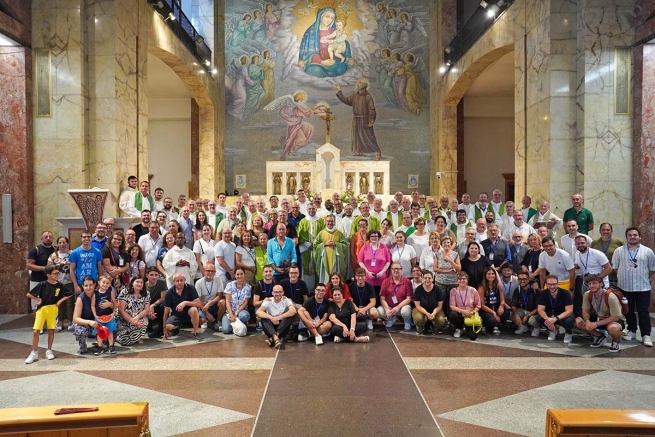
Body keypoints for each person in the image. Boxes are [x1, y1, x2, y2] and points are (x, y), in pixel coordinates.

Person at [613, 227, 655, 347]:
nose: (632, 237)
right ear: (626, 237)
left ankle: (646, 335)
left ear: (639, 237)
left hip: (643, 287)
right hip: (625, 287)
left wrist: (643, 277)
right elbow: (615, 267)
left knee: (643, 311)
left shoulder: (648, 251)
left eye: (635, 235)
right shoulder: (619, 251)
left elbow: (652, 269)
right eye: (630, 235)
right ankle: (631, 331)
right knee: (628, 310)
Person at [24, 265, 73, 364]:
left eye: (58, 273)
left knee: (51, 330)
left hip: (53, 309)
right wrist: (38, 299)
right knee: (36, 331)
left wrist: (60, 301)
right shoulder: (42, 284)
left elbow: (69, 293)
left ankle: (49, 350)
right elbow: (29, 294)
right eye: (55, 273)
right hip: (42, 309)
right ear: (48, 275)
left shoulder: (60, 285)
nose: (57, 275)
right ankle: (34, 352)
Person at [575, 274, 625, 352]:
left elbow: (615, 317)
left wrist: (596, 324)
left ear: (601, 284)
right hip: (599, 317)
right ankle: (599, 336)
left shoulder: (610, 297)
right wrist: (587, 321)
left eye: (594, 283)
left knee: (613, 328)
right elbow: (585, 310)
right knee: (578, 321)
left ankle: (615, 341)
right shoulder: (587, 294)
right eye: (589, 284)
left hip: (613, 319)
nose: (592, 286)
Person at [297, 7, 352, 78]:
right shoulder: (311, 32)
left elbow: (343, 42)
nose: (329, 20)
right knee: (314, 71)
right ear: (321, 16)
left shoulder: (334, 31)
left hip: (333, 62)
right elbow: (307, 53)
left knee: (343, 69)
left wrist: (345, 47)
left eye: (332, 18)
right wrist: (322, 62)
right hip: (317, 64)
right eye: (327, 17)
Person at [334, 80, 381, 159]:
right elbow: (345, 99)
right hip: (356, 119)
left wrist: (371, 120)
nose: (358, 87)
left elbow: (371, 109)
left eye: (360, 86)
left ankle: (377, 151)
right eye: (358, 86)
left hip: (365, 119)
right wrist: (339, 90)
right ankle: (359, 151)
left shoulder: (368, 97)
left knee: (369, 136)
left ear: (364, 87)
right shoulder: (355, 96)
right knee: (357, 135)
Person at [163, 272, 203, 341]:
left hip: (189, 313)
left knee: (194, 310)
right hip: (177, 315)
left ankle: (196, 332)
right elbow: (166, 312)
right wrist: (164, 329)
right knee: (168, 326)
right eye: (177, 281)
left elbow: (198, 303)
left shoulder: (191, 288)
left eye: (181, 280)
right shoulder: (169, 293)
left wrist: (185, 303)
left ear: (185, 280)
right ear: (173, 282)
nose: (179, 282)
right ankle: (176, 327)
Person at [535, 275, 575, 343]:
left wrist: (555, 319)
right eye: (549, 284)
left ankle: (568, 332)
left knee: (568, 321)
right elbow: (540, 309)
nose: (552, 286)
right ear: (546, 284)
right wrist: (547, 320)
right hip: (550, 314)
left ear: (557, 283)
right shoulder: (543, 293)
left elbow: (569, 311)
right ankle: (553, 330)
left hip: (562, 314)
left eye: (554, 284)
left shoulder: (565, 293)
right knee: (539, 318)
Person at [256, 284, 297, 349]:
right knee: (264, 317)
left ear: (283, 292)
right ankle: (276, 338)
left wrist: (279, 317)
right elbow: (258, 312)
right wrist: (272, 318)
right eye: (276, 292)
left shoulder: (286, 300)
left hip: (282, 328)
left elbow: (293, 311)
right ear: (272, 293)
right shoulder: (268, 301)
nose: (278, 294)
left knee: (289, 316)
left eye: (280, 292)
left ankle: (274, 337)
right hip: (270, 327)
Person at [358, 228, 391, 303]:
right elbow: (360, 261)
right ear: (369, 237)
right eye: (372, 236)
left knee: (380, 298)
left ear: (379, 237)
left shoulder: (384, 247)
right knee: (369, 298)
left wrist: (382, 272)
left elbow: (388, 262)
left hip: (381, 278)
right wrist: (367, 272)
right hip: (368, 278)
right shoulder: (365, 247)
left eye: (376, 236)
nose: (374, 238)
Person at [47, 236, 74, 331]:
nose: (62, 244)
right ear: (57, 244)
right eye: (60, 243)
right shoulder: (53, 256)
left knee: (69, 303)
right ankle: (60, 322)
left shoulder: (72, 254)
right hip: (57, 283)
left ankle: (70, 321)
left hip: (69, 282)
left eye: (64, 242)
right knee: (58, 303)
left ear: (67, 243)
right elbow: (48, 269)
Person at [313, 214, 348, 284]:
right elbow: (315, 245)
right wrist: (324, 244)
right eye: (328, 221)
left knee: (335, 275)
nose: (330, 223)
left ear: (334, 222)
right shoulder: (321, 233)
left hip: (336, 260)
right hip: (324, 259)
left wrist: (336, 244)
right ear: (325, 222)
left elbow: (345, 245)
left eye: (332, 221)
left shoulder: (339, 233)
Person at [115, 276, 150, 346]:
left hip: (138, 317)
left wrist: (136, 318)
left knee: (144, 321)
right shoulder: (124, 292)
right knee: (126, 342)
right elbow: (121, 310)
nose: (139, 284)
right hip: (124, 319)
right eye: (137, 282)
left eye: (141, 282)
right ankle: (118, 337)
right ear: (132, 283)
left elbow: (147, 309)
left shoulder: (146, 293)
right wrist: (133, 321)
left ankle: (137, 337)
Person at [378, 262, 413, 330]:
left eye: (398, 269)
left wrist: (398, 307)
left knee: (406, 311)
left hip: (401, 307)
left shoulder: (407, 282)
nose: (396, 270)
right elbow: (382, 299)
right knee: (379, 310)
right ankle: (391, 319)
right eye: (394, 269)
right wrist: (387, 309)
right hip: (390, 307)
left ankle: (407, 321)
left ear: (401, 270)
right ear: (391, 270)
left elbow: (408, 299)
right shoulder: (385, 282)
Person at [448, 271, 482, 341]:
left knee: (473, 336)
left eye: (464, 279)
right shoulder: (453, 291)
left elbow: (478, 305)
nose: (462, 280)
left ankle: (467, 328)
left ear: (467, 280)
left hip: (471, 314)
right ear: (457, 281)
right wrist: (463, 311)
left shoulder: (473, 290)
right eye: (460, 279)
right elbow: (452, 306)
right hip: (459, 313)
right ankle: (459, 328)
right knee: (452, 315)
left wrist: (472, 312)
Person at [69, 229, 103, 295]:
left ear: (91, 238)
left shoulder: (97, 252)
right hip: (80, 283)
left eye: (88, 237)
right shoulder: (75, 252)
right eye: (84, 237)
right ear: (81, 238)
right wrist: (75, 285)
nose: (86, 238)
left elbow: (99, 268)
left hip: (94, 283)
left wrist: (100, 282)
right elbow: (72, 269)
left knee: (94, 303)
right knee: (80, 304)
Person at [27, 231, 56, 306]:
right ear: (41, 239)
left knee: (50, 303)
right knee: (36, 304)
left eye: (50, 237)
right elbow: (29, 265)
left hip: (51, 281)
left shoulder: (55, 250)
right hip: (37, 280)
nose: (48, 239)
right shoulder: (36, 250)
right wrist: (45, 268)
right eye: (46, 237)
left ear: (53, 239)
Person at [413, 269, 446, 335]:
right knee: (419, 319)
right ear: (422, 279)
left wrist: (433, 313)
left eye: (429, 278)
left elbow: (439, 306)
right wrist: (426, 313)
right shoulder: (418, 290)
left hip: (435, 310)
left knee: (441, 320)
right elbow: (418, 306)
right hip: (421, 309)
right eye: (425, 278)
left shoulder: (438, 290)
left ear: (433, 279)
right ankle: (420, 326)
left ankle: (435, 327)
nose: (427, 280)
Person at [72, 276, 100, 355]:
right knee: (79, 330)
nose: (88, 288)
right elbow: (75, 318)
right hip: (85, 323)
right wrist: (89, 322)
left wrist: (110, 304)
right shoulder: (80, 299)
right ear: (82, 286)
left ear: (94, 285)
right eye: (86, 285)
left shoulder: (99, 294)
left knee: (115, 323)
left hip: (99, 322)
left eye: (90, 285)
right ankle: (82, 345)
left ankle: (105, 343)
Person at [91, 276, 118, 355]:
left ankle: (111, 346)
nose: (105, 284)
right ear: (99, 282)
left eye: (107, 283)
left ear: (110, 284)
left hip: (109, 315)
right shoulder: (95, 293)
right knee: (99, 332)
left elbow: (114, 302)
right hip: (99, 317)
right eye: (103, 282)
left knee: (110, 331)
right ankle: (99, 346)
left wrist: (113, 313)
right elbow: (93, 305)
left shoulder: (110, 292)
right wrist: (95, 315)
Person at [195, 263, 225, 331]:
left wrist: (209, 303)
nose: (210, 273)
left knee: (223, 302)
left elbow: (220, 296)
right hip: (203, 305)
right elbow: (198, 301)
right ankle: (206, 319)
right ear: (204, 271)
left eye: (212, 271)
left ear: (215, 272)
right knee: (201, 321)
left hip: (214, 304)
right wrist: (207, 313)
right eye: (208, 271)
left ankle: (218, 321)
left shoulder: (219, 280)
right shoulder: (199, 283)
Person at [222, 267, 252, 336]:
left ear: (244, 275)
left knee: (244, 316)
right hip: (230, 311)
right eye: (237, 274)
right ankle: (237, 324)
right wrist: (231, 314)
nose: (239, 276)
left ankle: (239, 323)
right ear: (235, 275)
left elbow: (245, 302)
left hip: (241, 311)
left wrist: (236, 313)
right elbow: (228, 302)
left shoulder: (248, 287)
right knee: (226, 330)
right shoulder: (229, 285)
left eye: (241, 274)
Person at [478, 267, 508, 335]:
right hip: (486, 309)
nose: (491, 276)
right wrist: (494, 313)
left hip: (496, 306)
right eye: (488, 274)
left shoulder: (499, 285)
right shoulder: (481, 287)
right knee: (492, 319)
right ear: (485, 275)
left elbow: (502, 300)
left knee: (506, 312)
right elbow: (482, 305)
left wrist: (501, 306)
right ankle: (488, 325)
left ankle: (495, 325)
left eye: (493, 274)